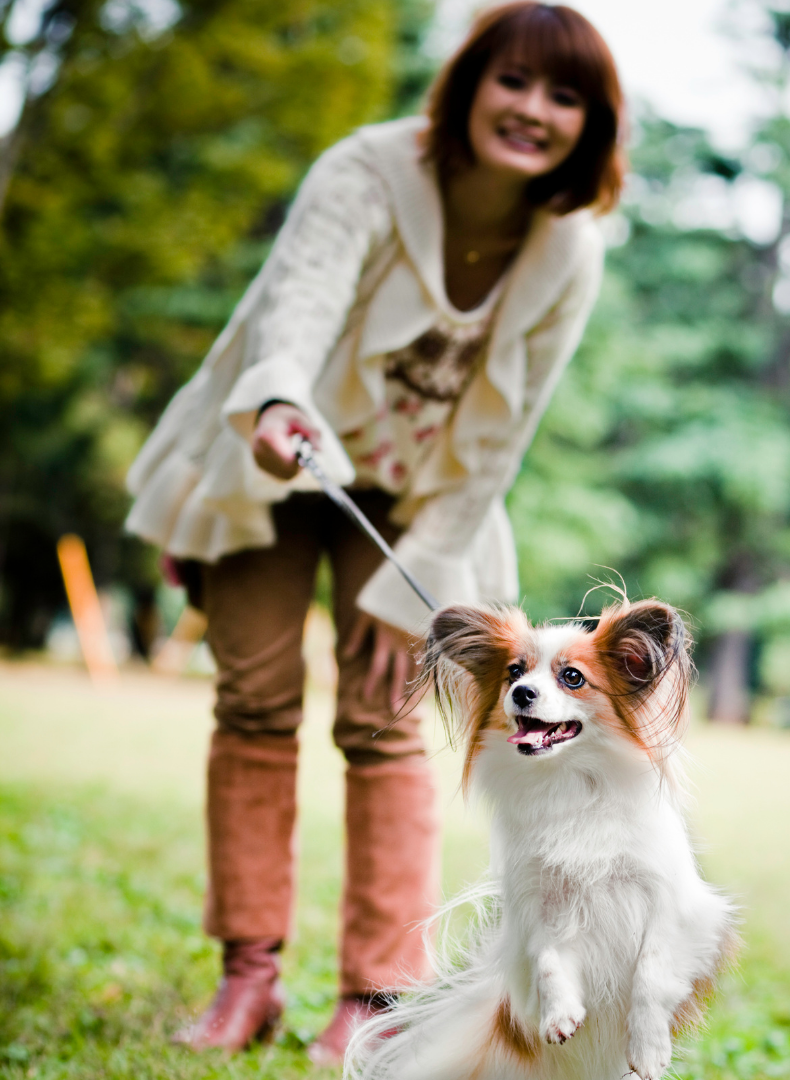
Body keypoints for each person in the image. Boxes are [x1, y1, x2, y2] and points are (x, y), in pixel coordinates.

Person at [124, 0, 624, 1064]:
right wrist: (276, 402)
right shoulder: (366, 167)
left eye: (565, 95)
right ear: (469, 81)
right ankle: (247, 979)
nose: (533, 109)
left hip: (420, 502)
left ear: (592, 125)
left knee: (388, 718)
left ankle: (373, 995)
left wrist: (422, 585)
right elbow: (295, 302)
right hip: (284, 447)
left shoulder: (571, 249)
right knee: (252, 698)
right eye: (514, 80)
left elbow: (507, 433)